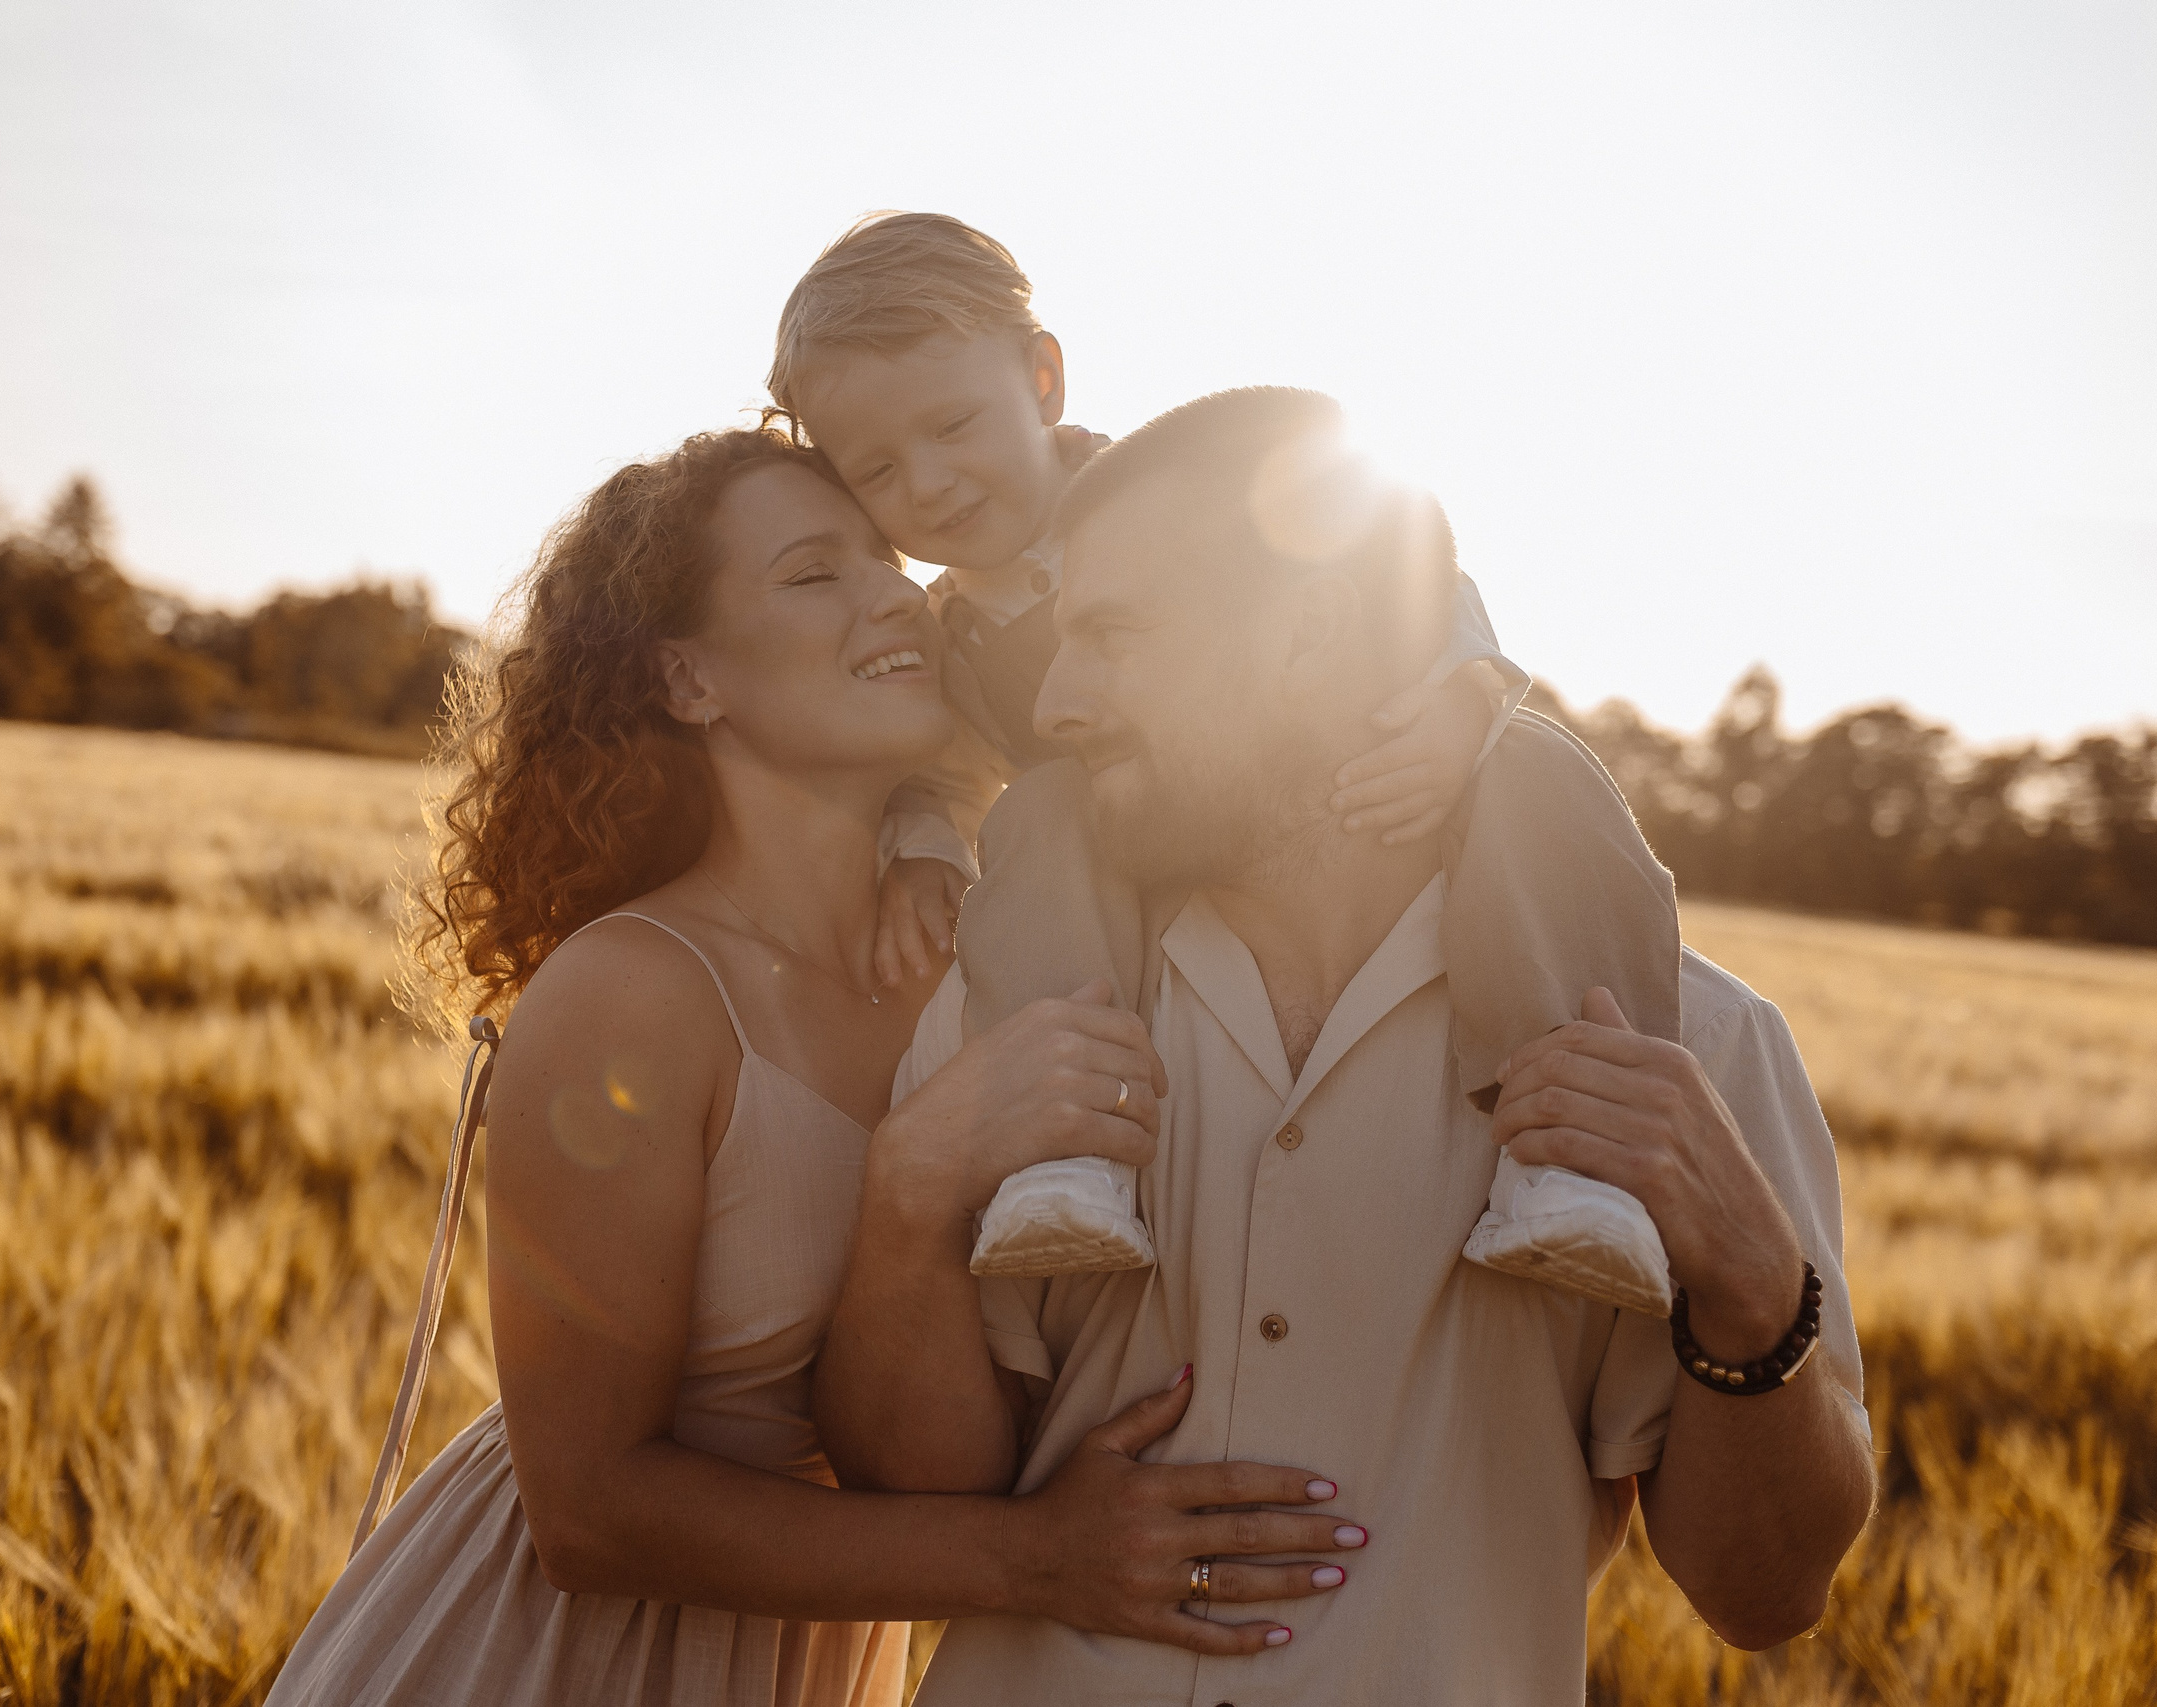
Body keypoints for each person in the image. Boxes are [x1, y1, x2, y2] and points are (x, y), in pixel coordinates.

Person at [264, 423, 1362, 1707]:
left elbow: (1217, 675)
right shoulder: (633, 992)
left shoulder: (987, 958)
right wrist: (1038, 1557)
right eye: (812, 573)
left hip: (812, 1658)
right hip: (556, 1663)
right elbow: (587, 1512)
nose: (893, 590)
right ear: (689, 682)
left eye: (886, 559)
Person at [816, 388, 1878, 1703]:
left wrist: (1755, 1277)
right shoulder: (1017, 1002)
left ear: (1309, 632)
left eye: (1112, 635)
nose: (1062, 700)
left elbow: (1766, 1592)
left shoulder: (1691, 1046)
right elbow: (911, 1489)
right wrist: (906, 1195)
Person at [771, 212, 1683, 1309]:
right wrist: (922, 846)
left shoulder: (1183, 497)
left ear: (1043, 378)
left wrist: (1460, 700)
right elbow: (943, 766)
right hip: (1135, 858)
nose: (928, 483)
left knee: (1538, 776)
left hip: (1338, 799)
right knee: (1044, 814)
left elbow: (1404, 559)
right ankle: (1069, 1152)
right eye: (875, 469)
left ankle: (1572, 1157)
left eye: (954, 424)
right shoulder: (947, 629)